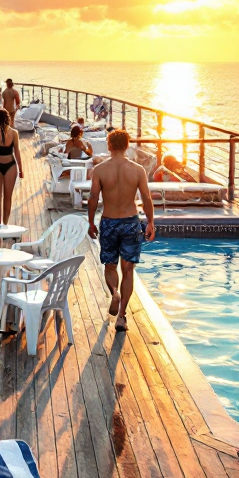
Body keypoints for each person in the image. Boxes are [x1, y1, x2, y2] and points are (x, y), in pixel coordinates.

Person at [87, 129, 155, 332]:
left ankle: (114, 293)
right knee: (128, 270)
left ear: (109, 145)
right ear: (127, 146)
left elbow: (92, 199)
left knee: (110, 265)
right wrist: (150, 222)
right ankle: (122, 317)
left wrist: (90, 222)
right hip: (130, 222)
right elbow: (146, 198)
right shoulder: (137, 170)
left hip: (109, 222)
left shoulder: (100, 170)